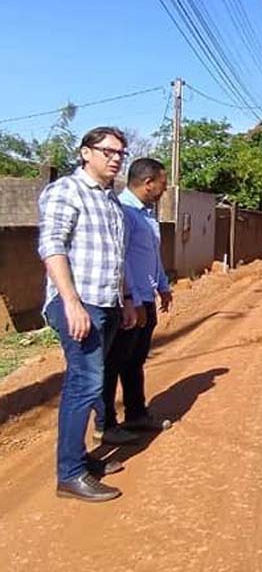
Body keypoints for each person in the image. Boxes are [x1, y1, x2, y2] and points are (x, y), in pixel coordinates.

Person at [38, 126, 137, 502]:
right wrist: (71, 302)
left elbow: (117, 257)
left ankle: (81, 459)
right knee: (86, 383)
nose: (115, 158)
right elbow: (51, 247)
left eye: (120, 154)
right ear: (85, 153)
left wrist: (126, 299)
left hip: (108, 302)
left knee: (91, 381)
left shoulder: (111, 202)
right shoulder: (66, 190)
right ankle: (70, 474)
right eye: (108, 151)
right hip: (80, 305)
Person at [97, 158, 173, 444]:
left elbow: (151, 257)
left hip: (146, 297)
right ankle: (105, 424)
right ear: (148, 183)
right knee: (115, 362)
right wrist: (136, 300)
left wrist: (163, 286)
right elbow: (122, 259)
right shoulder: (123, 211)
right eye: (162, 185)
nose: (164, 190)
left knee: (135, 361)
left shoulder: (147, 214)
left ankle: (136, 414)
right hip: (130, 302)